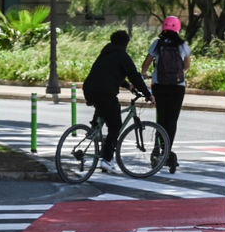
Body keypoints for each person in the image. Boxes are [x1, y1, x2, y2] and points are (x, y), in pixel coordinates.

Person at [82, 30, 153, 174]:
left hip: (89, 89)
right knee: (115, 125)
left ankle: (94, 128)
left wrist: (128, 86)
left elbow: (112, 75)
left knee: (105, 107)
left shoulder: (105, 54)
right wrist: (148, 94)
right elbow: (135, 76)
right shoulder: (123, 56)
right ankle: (107, 160)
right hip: (105, 92)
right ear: (126, 44)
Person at [140, 16, 191, 173]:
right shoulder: (182, 45)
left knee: (161, 118)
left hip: (159, 85)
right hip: (177, 86)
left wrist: (145, 74)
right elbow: (187, 65)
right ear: (178, 28)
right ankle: (167, 151)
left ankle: (156, 149)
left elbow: (145, 65)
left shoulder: (157, 44)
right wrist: (177, 73)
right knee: (172, 120)